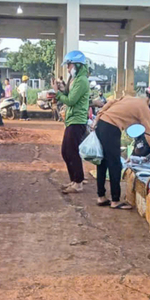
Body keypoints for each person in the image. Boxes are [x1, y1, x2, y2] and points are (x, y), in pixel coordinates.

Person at [94, 85, 150, 209]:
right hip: (112, 128)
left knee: (103, 162)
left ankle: (101, 197)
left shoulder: (130, 98)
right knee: (115, 164)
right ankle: (115, 200)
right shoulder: (145, 109)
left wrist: (98, 117)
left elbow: (111, 102)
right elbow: (149, 135)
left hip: (102, 124)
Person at [53, 51, 90, 194]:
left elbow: (71, 101)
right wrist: (62, 90)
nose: (68, 68)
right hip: (72, 119)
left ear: (77, 65)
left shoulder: (81, 81)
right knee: (66, 151)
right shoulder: (76, 79)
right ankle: (74, 180)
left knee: (71, 151)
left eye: (69, 65)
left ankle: (78, 183)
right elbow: (70, 95)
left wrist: (57, 93)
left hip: (77, 120)